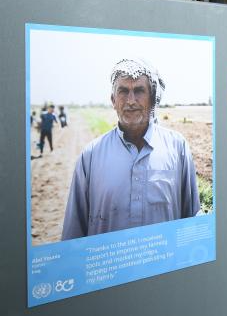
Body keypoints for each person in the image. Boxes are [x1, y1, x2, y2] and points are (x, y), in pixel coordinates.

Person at [62, 58, 199, 241]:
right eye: (123, 91)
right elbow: (73, 233)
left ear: (152, 99)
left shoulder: (177, 148)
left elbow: (191, 221)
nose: (131, 100)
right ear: (113, 100)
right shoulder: (91, 155)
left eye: (139, 91)